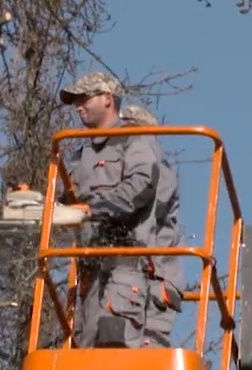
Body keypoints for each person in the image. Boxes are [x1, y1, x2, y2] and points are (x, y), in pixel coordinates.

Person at [59, 72, 160, 348]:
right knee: (87, 343)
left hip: (126, 261)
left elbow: (142, 183)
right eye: (75, 100)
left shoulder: (134, 139)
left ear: (107, 99)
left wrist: (98, 209)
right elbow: (66, 202)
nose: (78, 105)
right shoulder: (80, 156)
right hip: (90, 268)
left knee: (114, 338)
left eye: (84, 98)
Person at [120, 105, 184, 347]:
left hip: (152, 283)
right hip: (149, 282)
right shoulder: (155, 169)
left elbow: (135, 219)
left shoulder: (151, 170)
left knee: (143, 359)